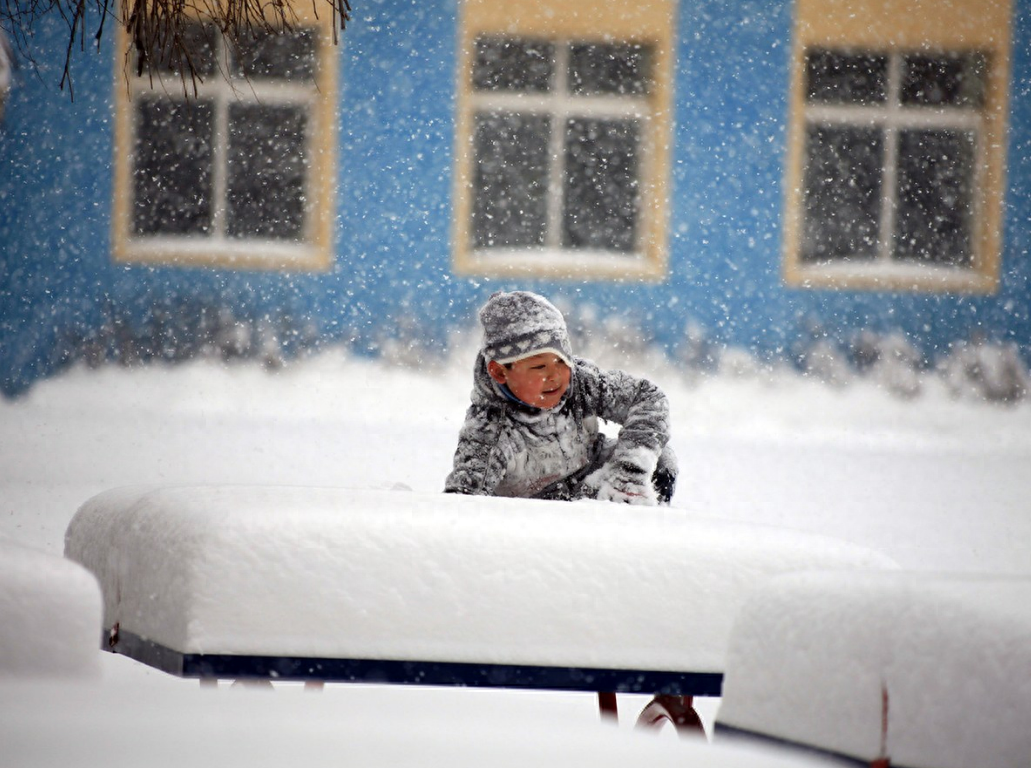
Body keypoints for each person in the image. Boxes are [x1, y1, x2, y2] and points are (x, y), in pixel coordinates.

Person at [444, 291, 676, 505]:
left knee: (657, 457)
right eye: (539, 366)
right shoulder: (489, 431)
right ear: (499, 372)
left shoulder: (581, 383)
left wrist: (628, 473)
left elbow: (648, 399)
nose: (555, 376)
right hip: (543, 511)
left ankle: (638, 520)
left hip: (595, 478)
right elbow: (462, 503)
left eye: (562, 361)